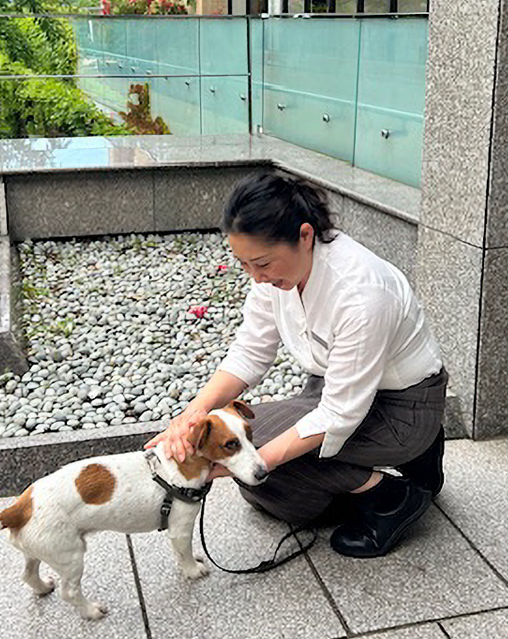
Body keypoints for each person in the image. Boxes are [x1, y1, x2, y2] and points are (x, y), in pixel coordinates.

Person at [146, 171, 447, 558]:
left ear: (305, 236)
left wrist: (245, 463)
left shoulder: (361, 294)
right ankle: (400, 468)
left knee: (260, 462)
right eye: (244, 265)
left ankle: (392, 495)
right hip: (337, 392)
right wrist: (191, 414)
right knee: (268, 490)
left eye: (262, 263)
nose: (256, 278)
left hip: (403, 408)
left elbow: (338, 414)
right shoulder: (276, 277)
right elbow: (249, 352)